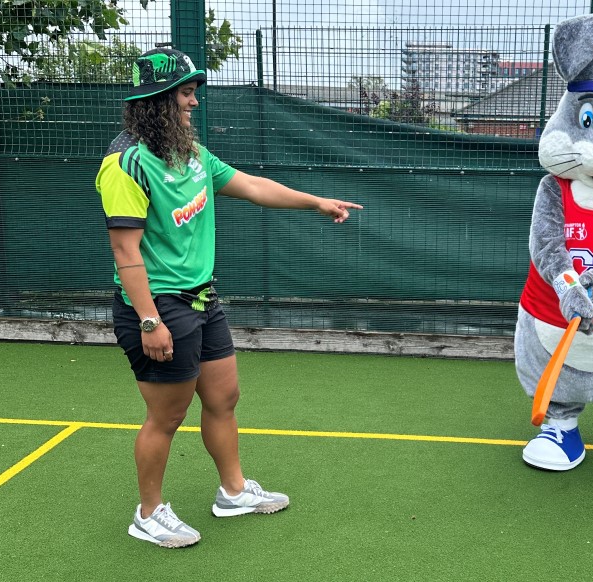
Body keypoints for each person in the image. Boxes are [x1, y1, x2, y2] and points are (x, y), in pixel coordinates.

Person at [95, 47, 363, 548]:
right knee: (167, 417)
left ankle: (233, 492)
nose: (193, 104)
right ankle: (148, 513)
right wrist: (150, 321)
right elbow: (124, 250)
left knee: (223, 398)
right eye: (186, 94)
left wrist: (316, 203)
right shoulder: (125, 164)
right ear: (157, 99)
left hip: (202, 299)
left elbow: (252, 186)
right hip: (157, 306)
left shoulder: (190, 154)